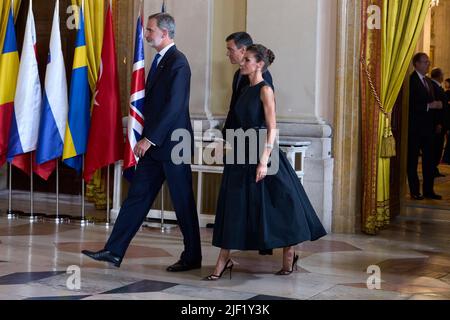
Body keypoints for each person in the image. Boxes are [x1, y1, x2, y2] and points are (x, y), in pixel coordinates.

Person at [82, 13, 202, 271]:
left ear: (165, 33)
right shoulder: (160, 61)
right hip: (156, 147)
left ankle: (193, 257)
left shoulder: (178, 62)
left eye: (150, 30)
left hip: (173, 145)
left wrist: (149, 139)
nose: (146, 34)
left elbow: (174, 107)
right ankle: (114, 251)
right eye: (147, 30)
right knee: (136, 197)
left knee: (183, 203)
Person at [205, 44, 327, 281]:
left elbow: (272, 127)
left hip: (262, 152)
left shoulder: (265, 90)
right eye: (243, 59)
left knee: (280, 204)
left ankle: (288, 254)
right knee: (234, 207)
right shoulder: (243, 89)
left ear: (259, 64)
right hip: (240, 153)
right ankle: (223, 260)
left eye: (247, 60)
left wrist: (263, 161)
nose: (242, 63)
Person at [224, 32, 274, 256]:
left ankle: (267, 244)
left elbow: (268, 123)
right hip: (240, 144)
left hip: (256, 147)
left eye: (232, 50)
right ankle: (230, 247)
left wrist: (263, 158)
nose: (230, 55)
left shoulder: (264, 84)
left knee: (264, 202)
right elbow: (235, 109)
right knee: (237, 199)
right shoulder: (239, 78)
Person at [407, 53, 443, 201]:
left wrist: (437, 122)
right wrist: (429, 106)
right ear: (416, 64)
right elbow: (410, 104)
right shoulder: (411, 81)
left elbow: (434, 102)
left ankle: (429, 190)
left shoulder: (428, 81)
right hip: (414, 129)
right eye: (424, 62)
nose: (427, 64)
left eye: (428, 62)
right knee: (413, 161)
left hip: (428, 129)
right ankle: (415, 191)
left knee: (429, 162)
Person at [430, 68, 447, 177]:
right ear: (439, 76)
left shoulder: (437, 87)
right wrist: (439, 123)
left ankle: (434, 168)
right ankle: (432, 169)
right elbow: (436, 108)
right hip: (437, 124)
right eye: (442, 74)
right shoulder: (434, 87)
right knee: (435, 147)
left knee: (438, 147)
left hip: (441, 123)